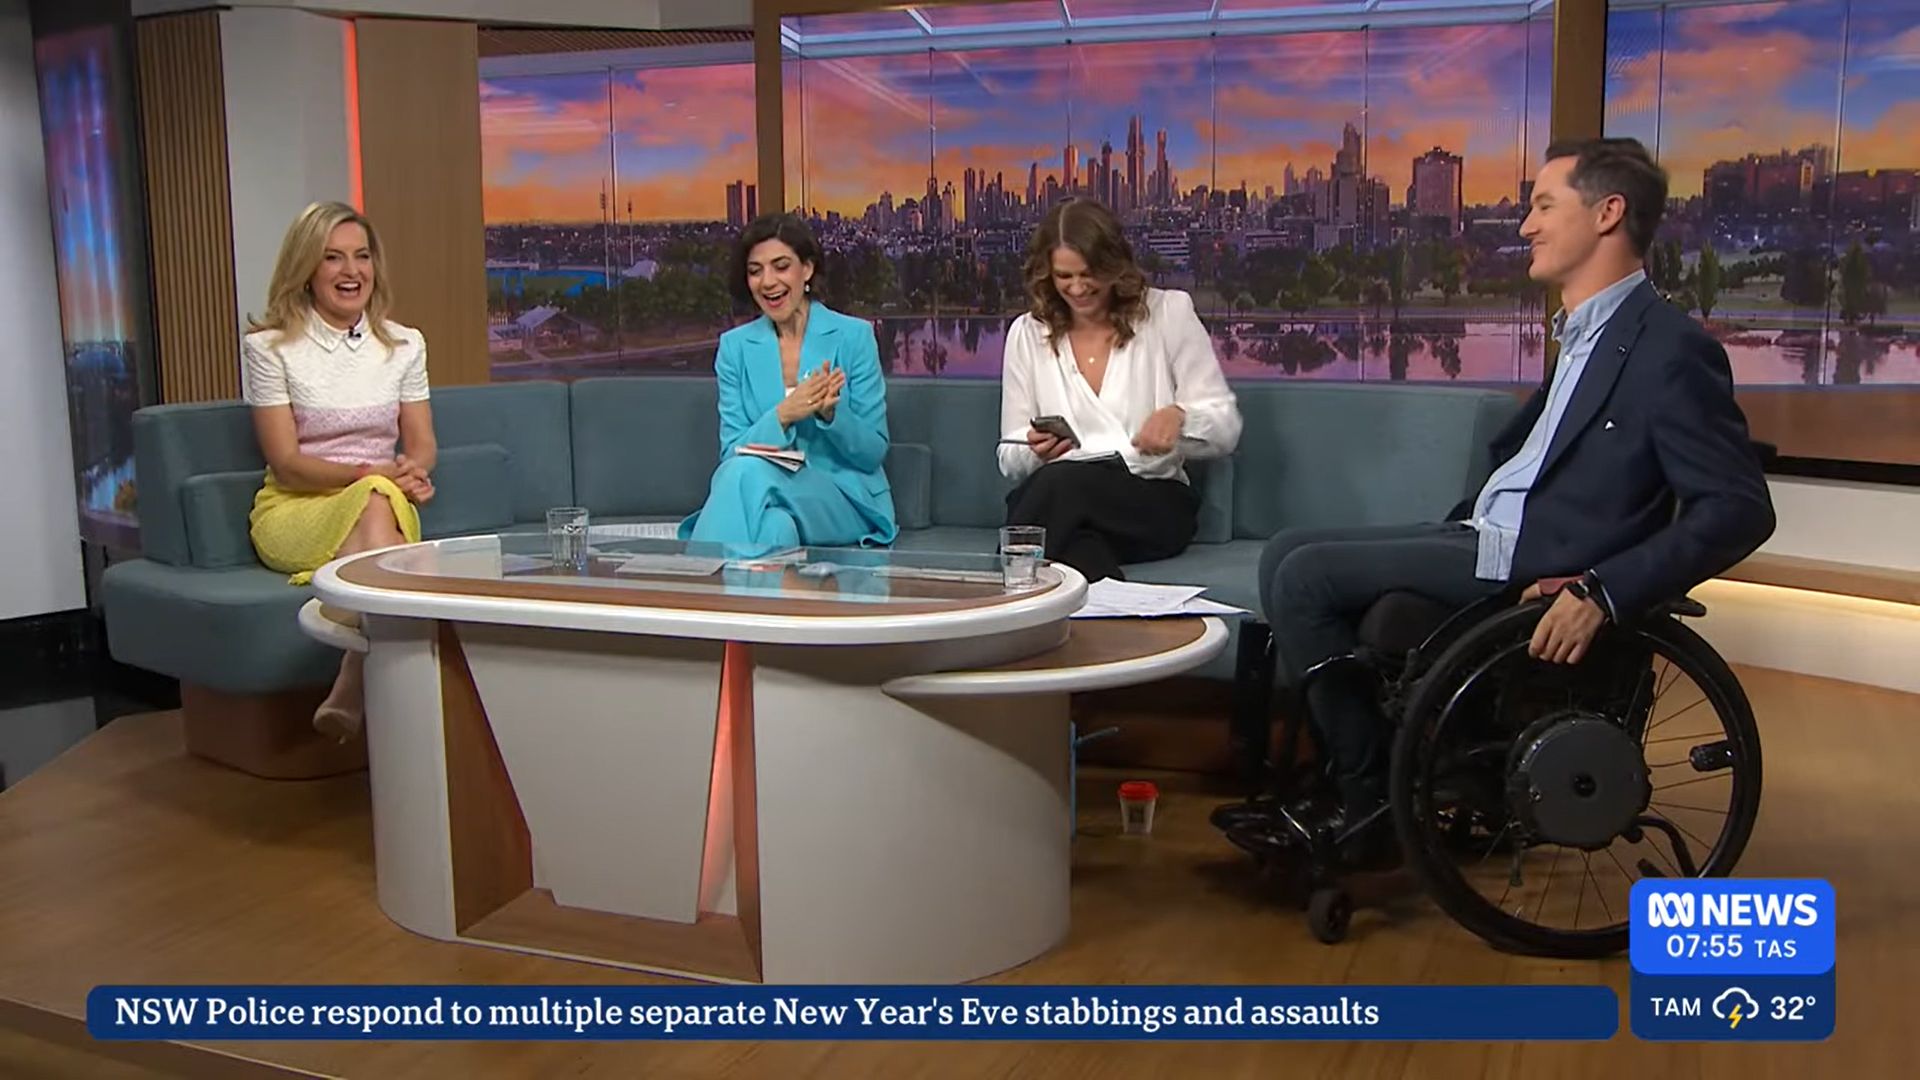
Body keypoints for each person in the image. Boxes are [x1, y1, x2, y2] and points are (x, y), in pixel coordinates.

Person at [1244, 137, 1775, 846]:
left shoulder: (1669, 348)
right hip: (1490, 532)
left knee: (1304, 576)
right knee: (1286, 551)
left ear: (1608, 214)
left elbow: (1739, 509)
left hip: (1533, 557)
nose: (1526, 226)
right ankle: (1367, 771)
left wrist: (1603, 591)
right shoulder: (1587, 335)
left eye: (1544, 207)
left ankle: (1367, 797)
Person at [242, 201, 437, 742]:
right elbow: (288, 465)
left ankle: (352, 666)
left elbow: (422, 445)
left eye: (362, 256)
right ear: (306, 268)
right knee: (376, 500)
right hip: (296, 508)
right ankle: (375, 691)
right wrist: (376, 474)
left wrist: (412, 471)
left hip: (383, 502)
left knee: (376, 500)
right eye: (333, 257)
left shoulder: (405, 344)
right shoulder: (269, 348)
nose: (352, 271)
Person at [998, 198, 1242, 582]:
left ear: (1115, 265)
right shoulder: (1028, 333)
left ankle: (1005, 587)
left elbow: (1226, 427)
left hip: (1151, 503)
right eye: (1064, 276)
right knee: (1074, 541)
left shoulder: (1168, 313)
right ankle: (1117, 606)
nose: (1078, 288)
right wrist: (1034, 451)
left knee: (1053, 493)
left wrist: (1180, 417)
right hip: (1060, 504)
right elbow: (1009, 456)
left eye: (1089, 274)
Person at [679, 213, 896, 552]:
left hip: (844, 499)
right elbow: (730, 451)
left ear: (806, 269)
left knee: (743, 473)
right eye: (755, 271)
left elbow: (873, 452)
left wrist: (831, 416)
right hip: (766, 495)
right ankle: (763, 585)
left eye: (781, 267)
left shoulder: (854, 337)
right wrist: (783, 415)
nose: (768, 282)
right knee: (774, 528)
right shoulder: (735, 348)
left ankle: (698, 573)